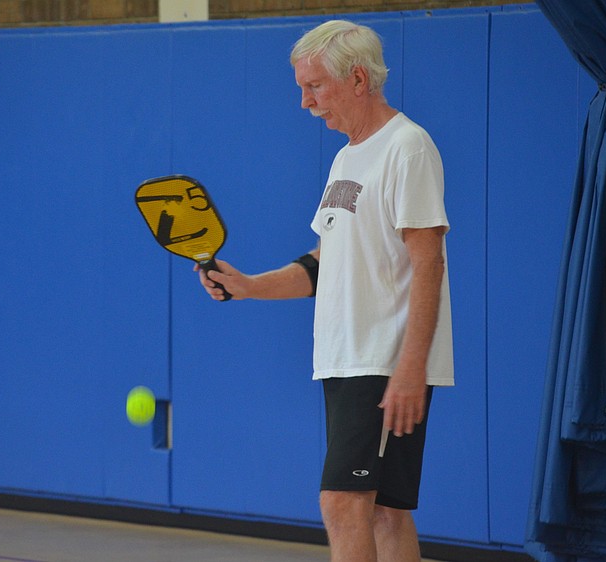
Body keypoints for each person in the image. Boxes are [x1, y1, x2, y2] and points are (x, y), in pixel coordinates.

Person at [195, 20, 455, 562]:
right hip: (345, 361)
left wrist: (410, 368)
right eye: (301, 89)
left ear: (358, 79)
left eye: (314, 87)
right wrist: (247, 286)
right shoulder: (345, 158)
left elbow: (428, 263)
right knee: (384, 510)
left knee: (342, 502)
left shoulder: (407, 148)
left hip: (383, 363)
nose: (306, 103)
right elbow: (323, 263)